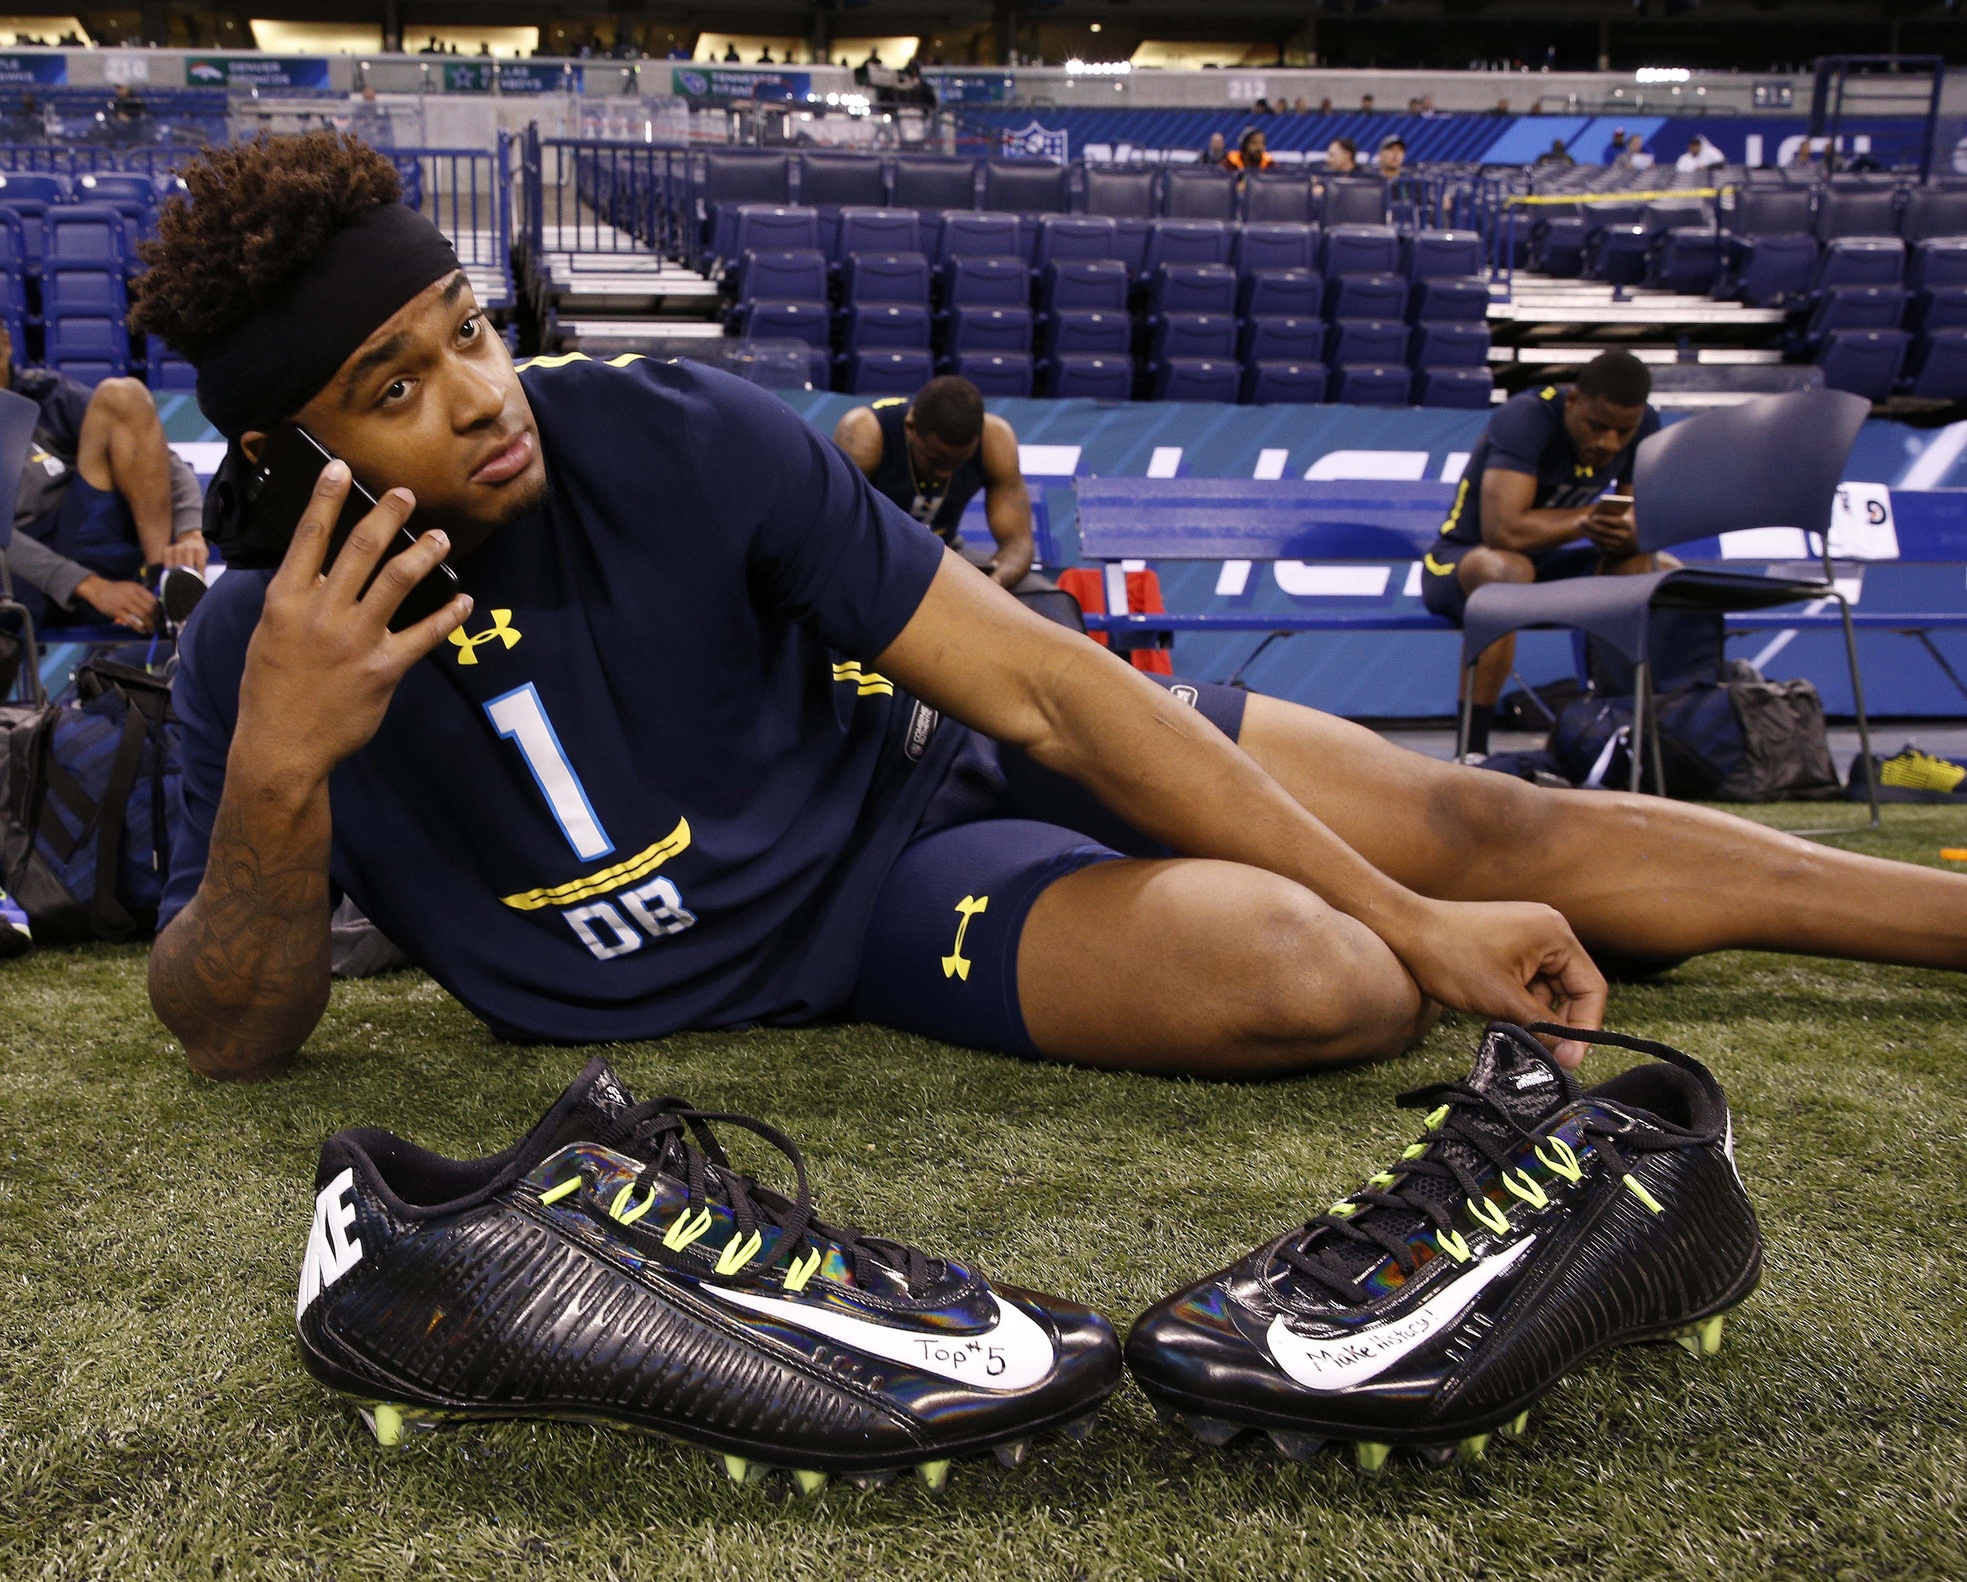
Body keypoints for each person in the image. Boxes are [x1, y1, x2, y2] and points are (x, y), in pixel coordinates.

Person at [138, 134, 1967, 1092]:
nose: (481, 395)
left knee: (1479, 821)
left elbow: (1041, 684)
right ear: (289, 455)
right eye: (396, 385)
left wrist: (1425, 909)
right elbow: (229, 1030)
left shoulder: (665, 429)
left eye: (467, 327)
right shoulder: (249, 655)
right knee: (1313, 977)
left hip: (922, 768)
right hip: (843, 936)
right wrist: (280, 777)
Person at [1420, 351, 1663, 760]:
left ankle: (1630, 737)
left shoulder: (1645, 424)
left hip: (1548, 567)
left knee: (1656, 574)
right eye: (1597, 426)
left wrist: (1629, 533)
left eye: (1623, 432)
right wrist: (1586, 520)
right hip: (1461, 564)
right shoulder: (1527, 416)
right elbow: (1503, 531)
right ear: (1573, 401)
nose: (1608, 443)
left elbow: (1641, 525)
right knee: (1509, 572)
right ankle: (1471, 753)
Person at [0, 326, 206, 634]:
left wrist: (191, 531)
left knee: (124, 396)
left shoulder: (47, 393)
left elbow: (167, 463)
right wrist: (91, 586)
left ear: (5, 343)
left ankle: (164, 588)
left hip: (81, 534)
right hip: (17, 572)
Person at [831, 379, 1033, 590]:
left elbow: (1017, 543)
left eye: (959, 462)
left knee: (1034, 591)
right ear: (910, 428)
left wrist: (994, 585)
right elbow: (836, 533)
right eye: (935, 460)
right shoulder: (865, 434)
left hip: (947, 557)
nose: (945, 473)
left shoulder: (995, 439)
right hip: (874, 558)